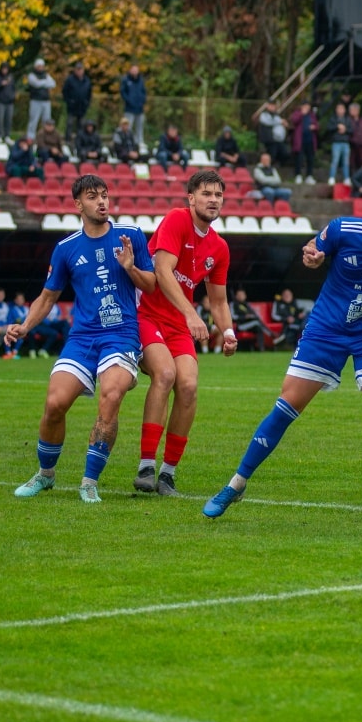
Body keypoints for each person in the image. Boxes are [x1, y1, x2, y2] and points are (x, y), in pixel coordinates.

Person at [200, 206, 362, 523]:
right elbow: (315, 247)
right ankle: (236, 484)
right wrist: (313, 255)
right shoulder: (344, 229)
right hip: (327, 329)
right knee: (285, 407)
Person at [7, 174, 157, 503]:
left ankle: (89, 482)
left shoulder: (130, 236)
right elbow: (47, 298)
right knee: (54, 404)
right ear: (78, 204)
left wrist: (130, 267)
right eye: (93, 197)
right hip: (83, 338)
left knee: (112, 395)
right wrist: (24, 326)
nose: (102, 201)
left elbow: (150, 285)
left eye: (104, 195)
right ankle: (45, 475)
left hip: (121, 335)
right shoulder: (66, 249)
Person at [133, 170, 234, 497]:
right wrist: (192, 314)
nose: (213, 200)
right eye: (206, 194)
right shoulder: (176, 219)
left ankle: (167, 475)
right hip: (146, 313)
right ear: (191, 198)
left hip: (177, 324)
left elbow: (218, 300)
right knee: (164, 374)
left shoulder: (219, 247)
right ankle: (145, 466)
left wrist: (228, 331)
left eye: (218, 195)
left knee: (188, 386)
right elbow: (162, 271)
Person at [61, 62, 92, 141]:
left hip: (82, 106)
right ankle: (67, 140)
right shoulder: (70, 80)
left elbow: (89, 93)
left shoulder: (87, 80)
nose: (79, 71)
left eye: (80, 69)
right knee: (70, 123)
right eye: (77, 69)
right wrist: (69, 101)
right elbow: (65, 91)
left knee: (81, 125)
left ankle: (79, 140)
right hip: (72, 106)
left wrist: (87, 102)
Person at [25, 58, 56, 137]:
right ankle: (30, 136)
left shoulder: (46, 75)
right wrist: (45, 83)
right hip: (35, 100)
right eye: (39, 66)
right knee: (33, 119)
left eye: (42, 66)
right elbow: (36, 84)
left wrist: (42, 83)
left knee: (46, 120)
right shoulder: (32, 75)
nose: (40, 68)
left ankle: (45, 136)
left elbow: (53, 84)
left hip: (46, 101)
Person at [0, 63, 17, 142]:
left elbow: (13, 88)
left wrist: (13, 96)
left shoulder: (10, 78)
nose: (5, 70)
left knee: (8, 119)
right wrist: (1, 84)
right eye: (3, 69)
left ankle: (7, 136)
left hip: (10, 102)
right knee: (0, 119)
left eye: (6, 69)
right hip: (0, 101)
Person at [120, 64, 146, 142]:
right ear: (130, 70)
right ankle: (128, 142)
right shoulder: (126, 80)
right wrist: (129, 101)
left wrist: (142, 101)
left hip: (139, 108)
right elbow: (123, 92)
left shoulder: (141, 80)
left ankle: (140, 142)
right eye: (133, 70)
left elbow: (143, 92)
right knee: (128, 126)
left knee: (140, 127)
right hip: (129, 108)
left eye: (136, 70)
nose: (135, 71)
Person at [293, 102, 318, 184]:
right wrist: (301, 114)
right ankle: (298, 175)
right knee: (299, 158)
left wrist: (314, 127)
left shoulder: (312, 115)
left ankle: (309, 176)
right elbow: (294, 121)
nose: (307, 108)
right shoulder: (297, 113)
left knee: (310, 159)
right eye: (305, 106)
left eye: (308, 106)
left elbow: (317, 125)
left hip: (310, 140)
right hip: (300, 140)